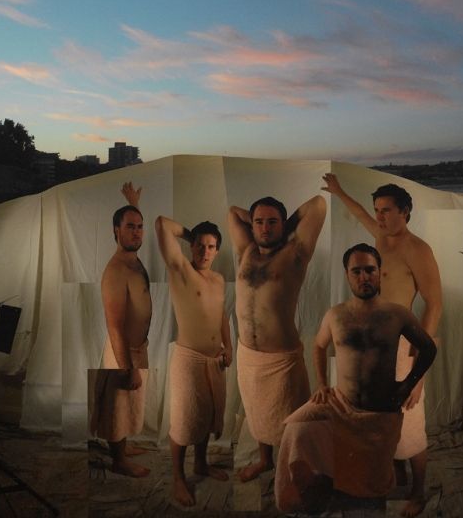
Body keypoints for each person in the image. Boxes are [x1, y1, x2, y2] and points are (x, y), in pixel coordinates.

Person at [275, 244, 437, 513]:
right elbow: (318, 346)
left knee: (406, 448)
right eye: (357, 271)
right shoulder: (335, 315)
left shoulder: (397, 314)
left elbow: (428, 349)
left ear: (380, 272)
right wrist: (322, 384)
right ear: (347, 275)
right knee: (296, 427)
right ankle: (307, 488)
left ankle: (413, 493)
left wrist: (409, 384)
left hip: (382, 408)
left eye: (370, 270)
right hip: (341, 404)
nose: (364, 277)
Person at [322, 174, 442, 517]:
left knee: (410, 426)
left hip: (404, 347)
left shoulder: (417, 249)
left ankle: (418, 492)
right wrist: (339, 191)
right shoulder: (379, 237)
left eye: (386, 210)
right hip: (371, 345)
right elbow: (359, 213)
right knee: (380, 420)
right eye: (377, 210)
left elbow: (435, 304)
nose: (379, 216)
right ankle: (395, 475)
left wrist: (418, 371)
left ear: (405, 212)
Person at [228, 194, 326, 481]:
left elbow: (318, 204)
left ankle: (294, 469)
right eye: (259, 222)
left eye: (273, 222)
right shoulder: (245, 250)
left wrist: (286, 226)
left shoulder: (296, 253)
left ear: (283, 224)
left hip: (281, 361)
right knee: (258, 413)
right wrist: (259, 219)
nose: (265, 228)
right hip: (248, 355)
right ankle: (265, 461)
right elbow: (232, 211)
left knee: (291, 421)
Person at [155, 215, 233, 506]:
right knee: (184, 421)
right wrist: (193, 234)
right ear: (191, 246)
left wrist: (229, 346)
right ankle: (178, 478)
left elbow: (221, 315)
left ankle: (200, 463)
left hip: (214, 360)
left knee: (207, 415)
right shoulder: (182, 271)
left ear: (217, 250)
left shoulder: (219, 279)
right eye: (200, 245)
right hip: (188, 359)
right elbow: (162, 224)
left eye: (211, 246)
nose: (204, 251)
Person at [90, 183, 152, 478]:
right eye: (130, 227)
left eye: (140, 227)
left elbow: (132, 225)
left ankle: (123, 449)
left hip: (138, 348)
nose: (137, 232)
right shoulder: (116, 271)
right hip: (122, 351)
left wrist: (133, 202)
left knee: (129, 405)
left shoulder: (132, 258)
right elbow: (114, 327)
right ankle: (118, 460)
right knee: (117, 407)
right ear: (116, 231)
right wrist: (128, 368)